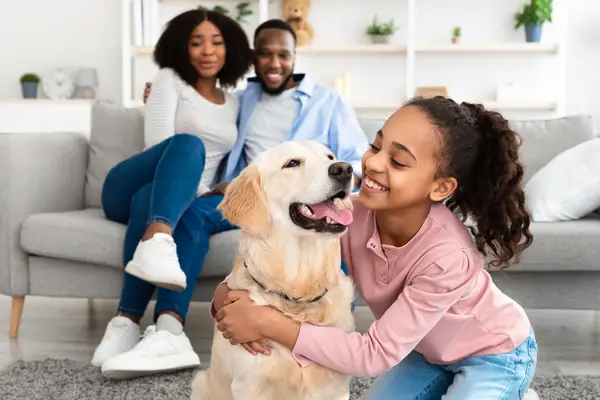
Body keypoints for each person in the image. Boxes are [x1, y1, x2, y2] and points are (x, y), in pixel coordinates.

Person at [212, 96, 538, 399]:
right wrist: (225, 295)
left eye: (397, 161)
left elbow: (374, 355)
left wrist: (267, 323)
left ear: (440, 187)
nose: (373, 164)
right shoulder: (348, 216)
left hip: (495, 352)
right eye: (375, 146)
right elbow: (276, 250)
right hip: (424, 353)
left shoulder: (448, 257)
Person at [95, 18, 369, 378]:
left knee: (160, 202)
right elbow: (203, 118)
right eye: (265, 54)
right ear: (252, 57)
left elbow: (355, 158)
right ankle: (169, 330)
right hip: (252, 194)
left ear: (295, 56)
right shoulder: (243, 99)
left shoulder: (326, 101)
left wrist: (334, 191)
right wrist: (157, 96)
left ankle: (323, 333)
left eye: (283, 55)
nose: (274, 63)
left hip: (304, 201)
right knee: (190, 213)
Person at [91, 9, 254, 378]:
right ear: (181, 48)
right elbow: (162, 147)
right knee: (186, 146)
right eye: (196, 43)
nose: (207, 51)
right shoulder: (168, 80)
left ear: (230, 49)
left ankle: (126, 323)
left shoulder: (233, 103)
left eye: (216, 42)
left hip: (153, 198)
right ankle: (161, 238)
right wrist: (199, 193)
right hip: (128, 184)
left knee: (151, 197)